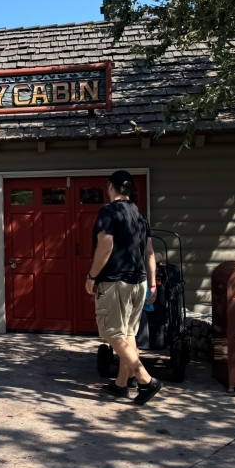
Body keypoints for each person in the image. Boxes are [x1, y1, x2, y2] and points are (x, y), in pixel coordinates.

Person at [85, 170, 161, 405]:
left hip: (114, 282)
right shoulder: (139, 215)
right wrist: (153, 282)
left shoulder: (108, 212)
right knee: (127, 333)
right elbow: (149, 252)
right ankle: (120, 384)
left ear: (111, 187)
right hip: (138, 283)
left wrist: (91, 276)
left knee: (112, 333)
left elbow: (105, 247)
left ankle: (146, 380)